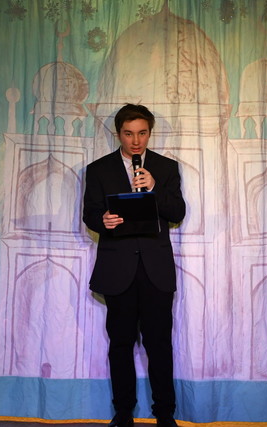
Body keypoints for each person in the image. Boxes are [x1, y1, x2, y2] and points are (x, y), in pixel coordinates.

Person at [83, 104, 186, 427]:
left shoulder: (165, 168)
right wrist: (102, 220)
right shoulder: (98, 169)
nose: (136, 141)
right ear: (118, 134)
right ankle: (123, 412)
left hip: (156, 270)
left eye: (142, 133)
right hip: (118, 269)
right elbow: (90, 214)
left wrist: (155, 188)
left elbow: (177, 212)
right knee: (121, 344)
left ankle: (165, 414)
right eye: (129, 134)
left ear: (150, 133)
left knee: (159, 345)